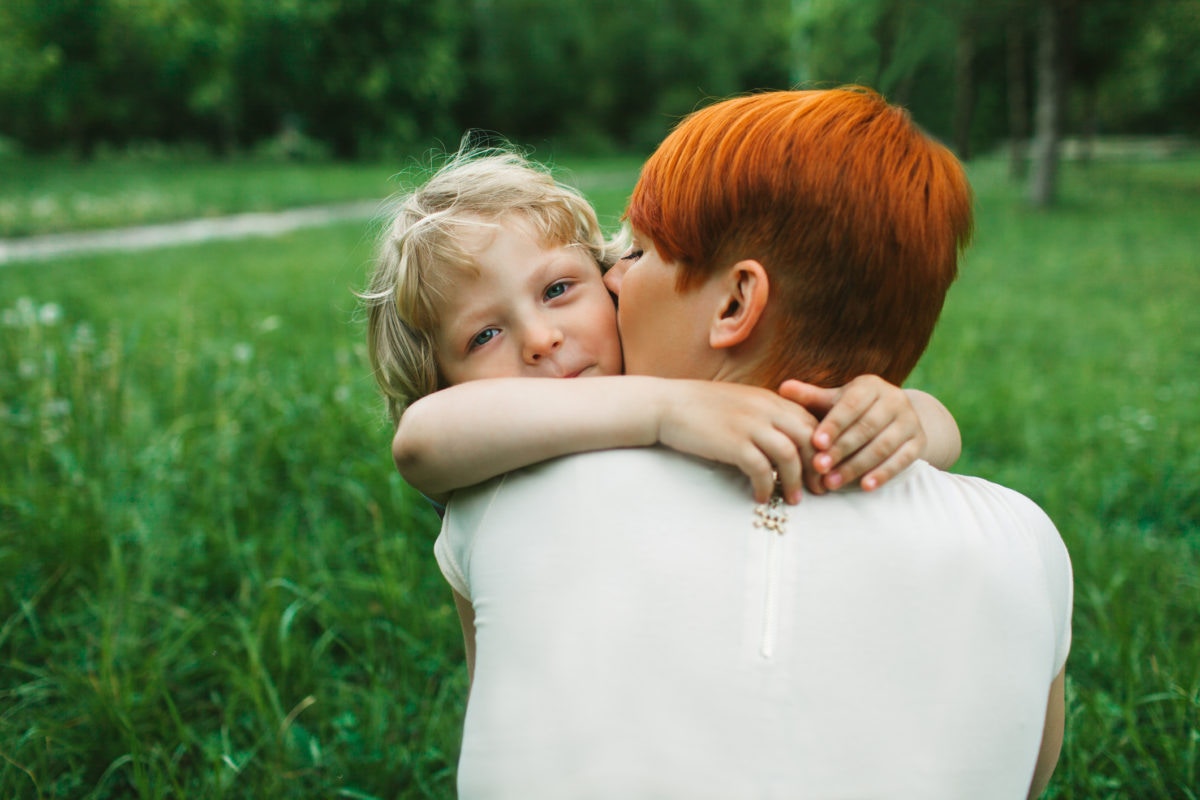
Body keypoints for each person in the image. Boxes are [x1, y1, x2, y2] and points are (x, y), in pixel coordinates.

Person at [435, 88, 1072, 799]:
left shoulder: (510, 492)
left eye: (638, 252)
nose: (611, 278)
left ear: (736, 304)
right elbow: (1030, 778)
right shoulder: (1027, 543)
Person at [364, 147, 962, 513]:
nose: (540, 339)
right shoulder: (491, 452)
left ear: (606, 281)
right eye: (483, 336)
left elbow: (943, 432)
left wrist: (902, 416)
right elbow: (419, 444)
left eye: (556, 291)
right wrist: (665, 411)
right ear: (441, 380)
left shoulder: (702, 381)